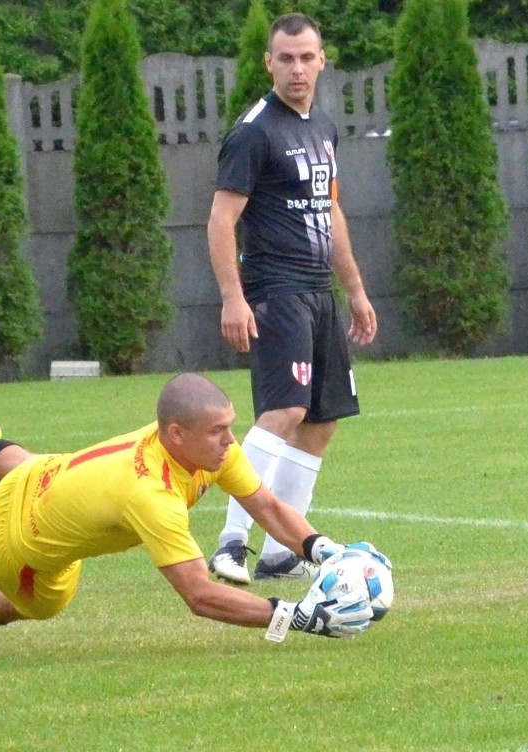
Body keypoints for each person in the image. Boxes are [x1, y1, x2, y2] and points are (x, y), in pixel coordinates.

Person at [0, 372, 376, 642]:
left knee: (27, 466)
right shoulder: (151, 495)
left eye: (229, 425)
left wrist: (323, 551)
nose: (230, 439)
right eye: (218, 430)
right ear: (176, 435)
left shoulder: (208, 450)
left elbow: (269, 508)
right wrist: (298, 617)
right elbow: (199, 595)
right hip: (16, 544)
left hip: (45, 476)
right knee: (40, 603)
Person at [207, 13, 377, 585]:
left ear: (322, 60)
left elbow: (330, 212)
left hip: (317, 291)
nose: (297, 69)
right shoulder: (255, 131)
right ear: (269, 63)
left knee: (322, 421)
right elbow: (221, 218)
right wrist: (233, 298)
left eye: (307, 58)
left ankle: (285, 549)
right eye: (287, 58)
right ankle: (232, 542)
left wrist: (352, 289)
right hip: (274, 291)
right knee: (283, 413)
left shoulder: (323, 127)